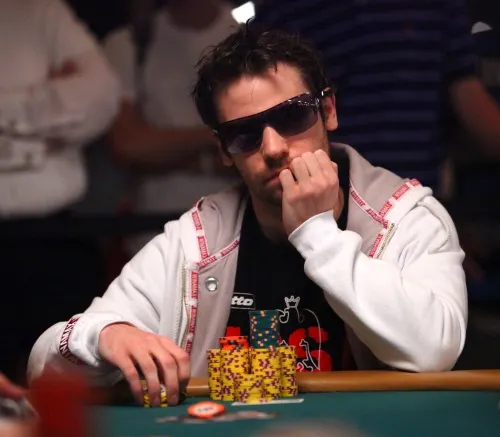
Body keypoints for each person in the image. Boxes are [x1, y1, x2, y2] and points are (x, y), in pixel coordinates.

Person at [27, 25, 468, 408]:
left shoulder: (405, 217)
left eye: (292, 116)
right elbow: (42, 364)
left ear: (328, 111)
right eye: (244, 134)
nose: (273, 148)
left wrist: (317, 234)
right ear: (224, 150)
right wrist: (106, 335)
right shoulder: (195, 242)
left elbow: (435, 350)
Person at [253, 0, 500, 195]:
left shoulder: (436, 5)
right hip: (324, 198)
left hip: (415, 197)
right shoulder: (282, 10)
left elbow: (470, 100)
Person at [0, 0, 120, 381]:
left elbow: (101, 97)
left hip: (57, 242)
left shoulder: (40, 11)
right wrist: (44, 103)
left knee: (73, 382)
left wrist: (11, 113)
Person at [103, 0, 239, 254]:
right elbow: (128, 145)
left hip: (239, 234)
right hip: (154, 239)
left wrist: (161, 153)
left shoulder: (250, 37)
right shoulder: (129, 42)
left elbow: (259, 146)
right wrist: (215, 140)